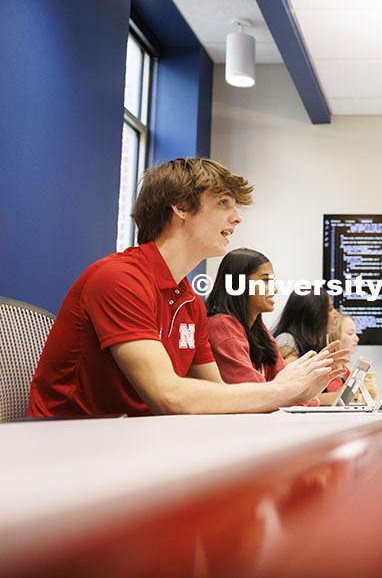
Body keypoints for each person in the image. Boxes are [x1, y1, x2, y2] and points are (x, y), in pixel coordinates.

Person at [28, 158, 347, 417]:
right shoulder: (119, 279)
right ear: (180, 207)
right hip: (71, 447)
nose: (237, 218)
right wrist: (280, 390)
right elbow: (167, 396)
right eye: (224, 203)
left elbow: (219, 398)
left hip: (132, 443)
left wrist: (290, 390)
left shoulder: (190, 302)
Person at [205, 248, 284, 383]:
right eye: (265, 280)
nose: (275, 289)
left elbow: (285, 380)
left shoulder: (258, 329)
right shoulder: (222, 325)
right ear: (238, 284)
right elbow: (253, 390)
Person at [272, 292, 346, 405]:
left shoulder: (315, 343)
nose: (336, 314)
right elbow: (291, 392)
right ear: (314, 313)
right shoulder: (287, 341)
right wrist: (333, 398)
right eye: (330, 309)